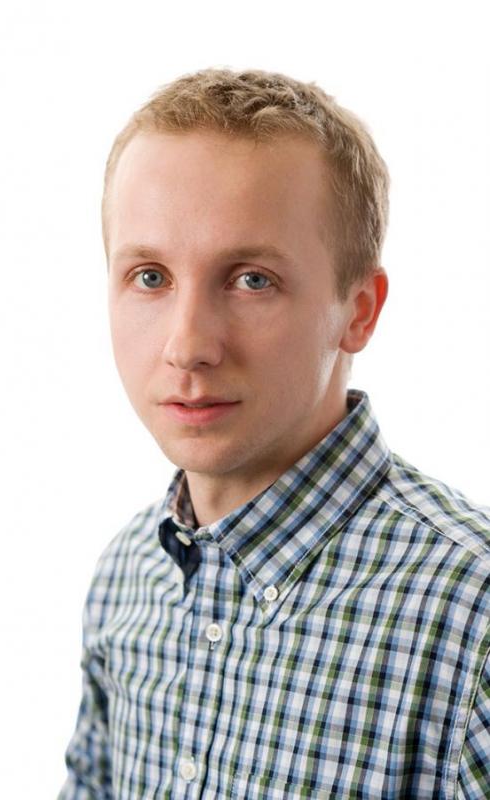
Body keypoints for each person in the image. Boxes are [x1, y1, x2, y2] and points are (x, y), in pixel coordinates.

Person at [58, 68, 490, 799]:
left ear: (358, 310)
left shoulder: (471, 621)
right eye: (151, 277)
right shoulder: (126, 576)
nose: (188, 346)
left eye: (251, 279)